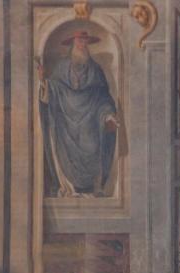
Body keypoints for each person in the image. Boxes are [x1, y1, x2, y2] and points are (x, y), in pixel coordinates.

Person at [38, 30, 119, 197]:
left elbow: (103, 97)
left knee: (93, 147)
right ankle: (69, 187)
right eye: (79, 42)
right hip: (66, 127)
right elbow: (53, 89)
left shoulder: (96, 70)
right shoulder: (62, 67)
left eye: (85, 42)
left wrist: (108, 115)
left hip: (90, 125)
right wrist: (43, 82)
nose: (82, 45)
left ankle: (91, 189)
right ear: (73, 44)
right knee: (64, 153)